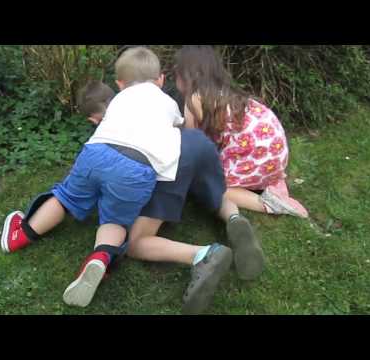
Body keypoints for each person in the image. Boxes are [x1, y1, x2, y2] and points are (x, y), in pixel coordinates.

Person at [0, 47, 185, 308]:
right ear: (161, 79)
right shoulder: (169, 103)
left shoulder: (121, 98)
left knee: (65, 197)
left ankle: (21, 235)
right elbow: (178, 125)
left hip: (97, 152)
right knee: (115, 220)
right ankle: (98, 258)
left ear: (120, 84)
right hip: (139, 169)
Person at [78, 80, 264, 315]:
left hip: (171, 164)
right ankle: (234, 218)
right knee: (211, 192)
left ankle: (202, 255)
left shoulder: (108, 134)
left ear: (94, 120)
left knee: (135, 243)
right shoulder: (147, 102)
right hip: (196, 143)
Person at [174, 45, 309, 218]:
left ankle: (271, 204)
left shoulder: (193, 98)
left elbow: (192, 145)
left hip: (255, 154)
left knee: (216, 187)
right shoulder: (225, 92)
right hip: (275, 152)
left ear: (184, 75)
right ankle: (268, 180)